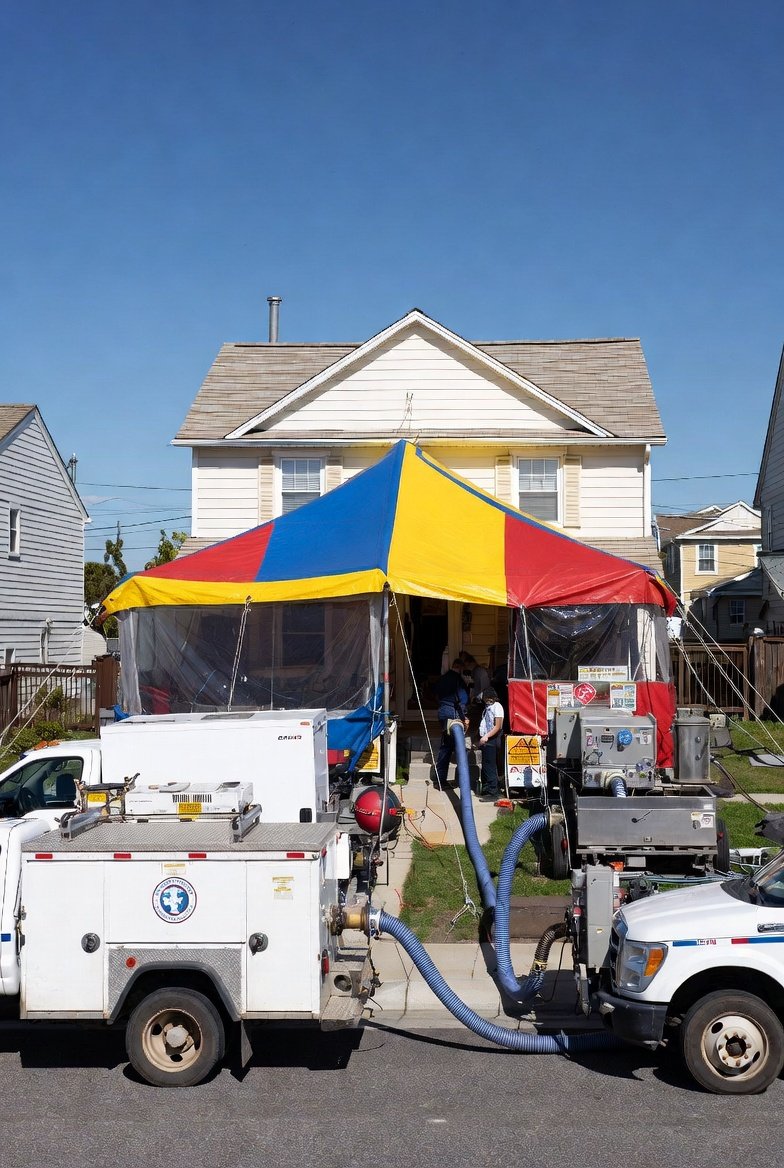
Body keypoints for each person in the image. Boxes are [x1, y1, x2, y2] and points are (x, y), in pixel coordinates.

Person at [434, 658, 469, 785]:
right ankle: (461, 781)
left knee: (446, 745)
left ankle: (440, 779)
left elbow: (435, 694)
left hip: (442, 712)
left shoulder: (443, 678)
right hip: (453, 713)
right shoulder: (458, 680)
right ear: (460, 668)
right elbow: (463, 699)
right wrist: (464, 717)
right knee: (457, 747)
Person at [477, 687, 504, 801]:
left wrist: (486, 736)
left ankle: (493, 792)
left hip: (492, 739)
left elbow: (498, 726)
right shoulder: (488, 708)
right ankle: (488, 789)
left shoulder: (497, 707)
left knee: (490, 766)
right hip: (487, 739)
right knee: (487, 765)